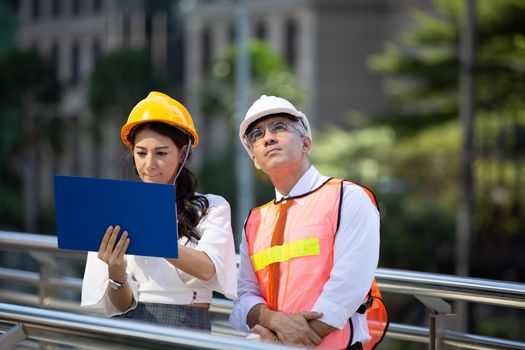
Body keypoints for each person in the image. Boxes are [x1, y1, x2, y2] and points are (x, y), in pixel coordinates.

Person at [230, 95, 388, 349]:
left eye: (279, 127)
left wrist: (290, 341)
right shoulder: (255, 221)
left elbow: (348, 288)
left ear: (306, 142)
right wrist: (273, 321)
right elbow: (245, 296)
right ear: (255, 160)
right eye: (257, 135)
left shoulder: (348, 196)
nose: (268, 137)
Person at [81, 91, 237, 331]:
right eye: (141, 153)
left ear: (182, 154)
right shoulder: (116, 207)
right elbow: (122, 306)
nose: (149, 164)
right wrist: (116, 271)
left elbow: (208, 269)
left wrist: (154, 236)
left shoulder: (210, 206)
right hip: (128, 329)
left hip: (186, 329)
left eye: (161, 153)